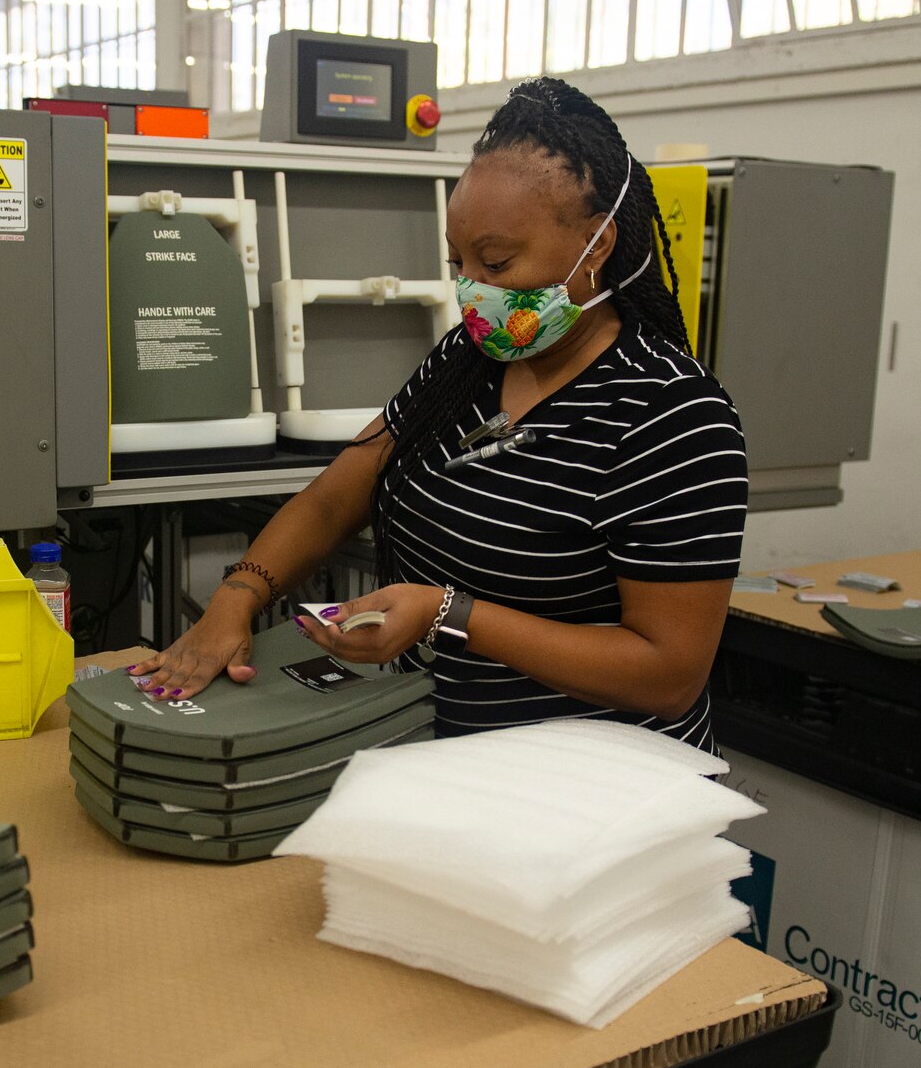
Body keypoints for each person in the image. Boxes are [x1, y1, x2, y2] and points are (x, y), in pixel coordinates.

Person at [132, 78, 748, 749]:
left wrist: (449, 613)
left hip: (594, 784)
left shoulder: (672, 414)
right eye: (459, 262)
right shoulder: (468, 362)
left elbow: (668, 673)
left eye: (497, 260)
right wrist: (236, 598)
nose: (471, 290)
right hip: (444, 754)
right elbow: (340, 493)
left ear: (597, 245)